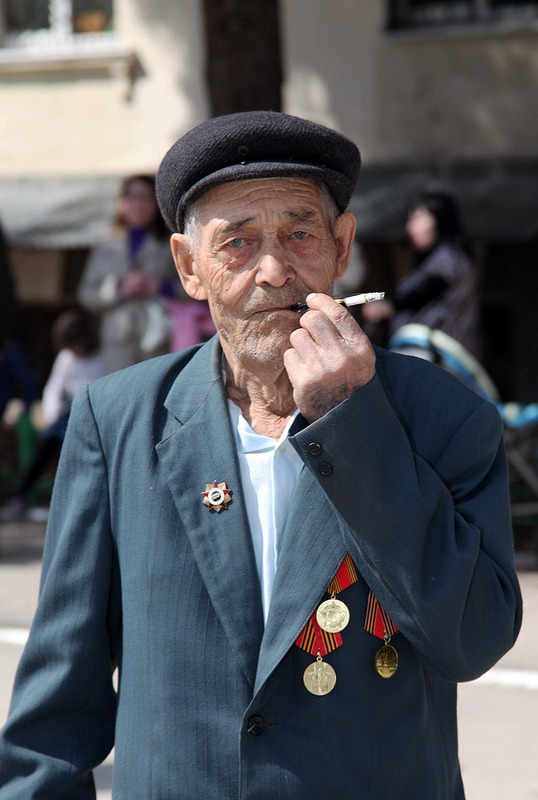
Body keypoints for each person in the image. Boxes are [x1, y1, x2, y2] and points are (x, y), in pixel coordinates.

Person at [0, 112, 521, 799]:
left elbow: (472, 639)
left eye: (300, 235)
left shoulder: (443, 417)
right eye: (237, 243)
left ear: (342, 249)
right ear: (190, 267)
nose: (273, 271)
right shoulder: (118, 420)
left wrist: (349, 424)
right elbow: (57, 712)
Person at [0, 309, 103, 519]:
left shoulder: (105, 355)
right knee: (46, 451)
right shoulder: (66, 357)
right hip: (69, 412)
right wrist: (51, 413)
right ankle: (21, 496)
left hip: (97, 413)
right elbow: (54, 388)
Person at [77, 174, 180, 374]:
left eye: (146, 197)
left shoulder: (171, 242)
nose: (139, 204)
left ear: (157, 204)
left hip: (158, 339)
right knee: (117, 400)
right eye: (134, 197)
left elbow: (194, 287)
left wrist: (160, 286)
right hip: (117, 342)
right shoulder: (105, 245)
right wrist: (119, 290)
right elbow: (86, 294)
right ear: (122, 202)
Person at [361, 190, 482, 357]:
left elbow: (428, 289)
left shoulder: (447, 257)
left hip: (441, 356)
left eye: (417, 218)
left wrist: (389, 306)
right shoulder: (445, 257)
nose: (410, 227)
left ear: (439, 219)